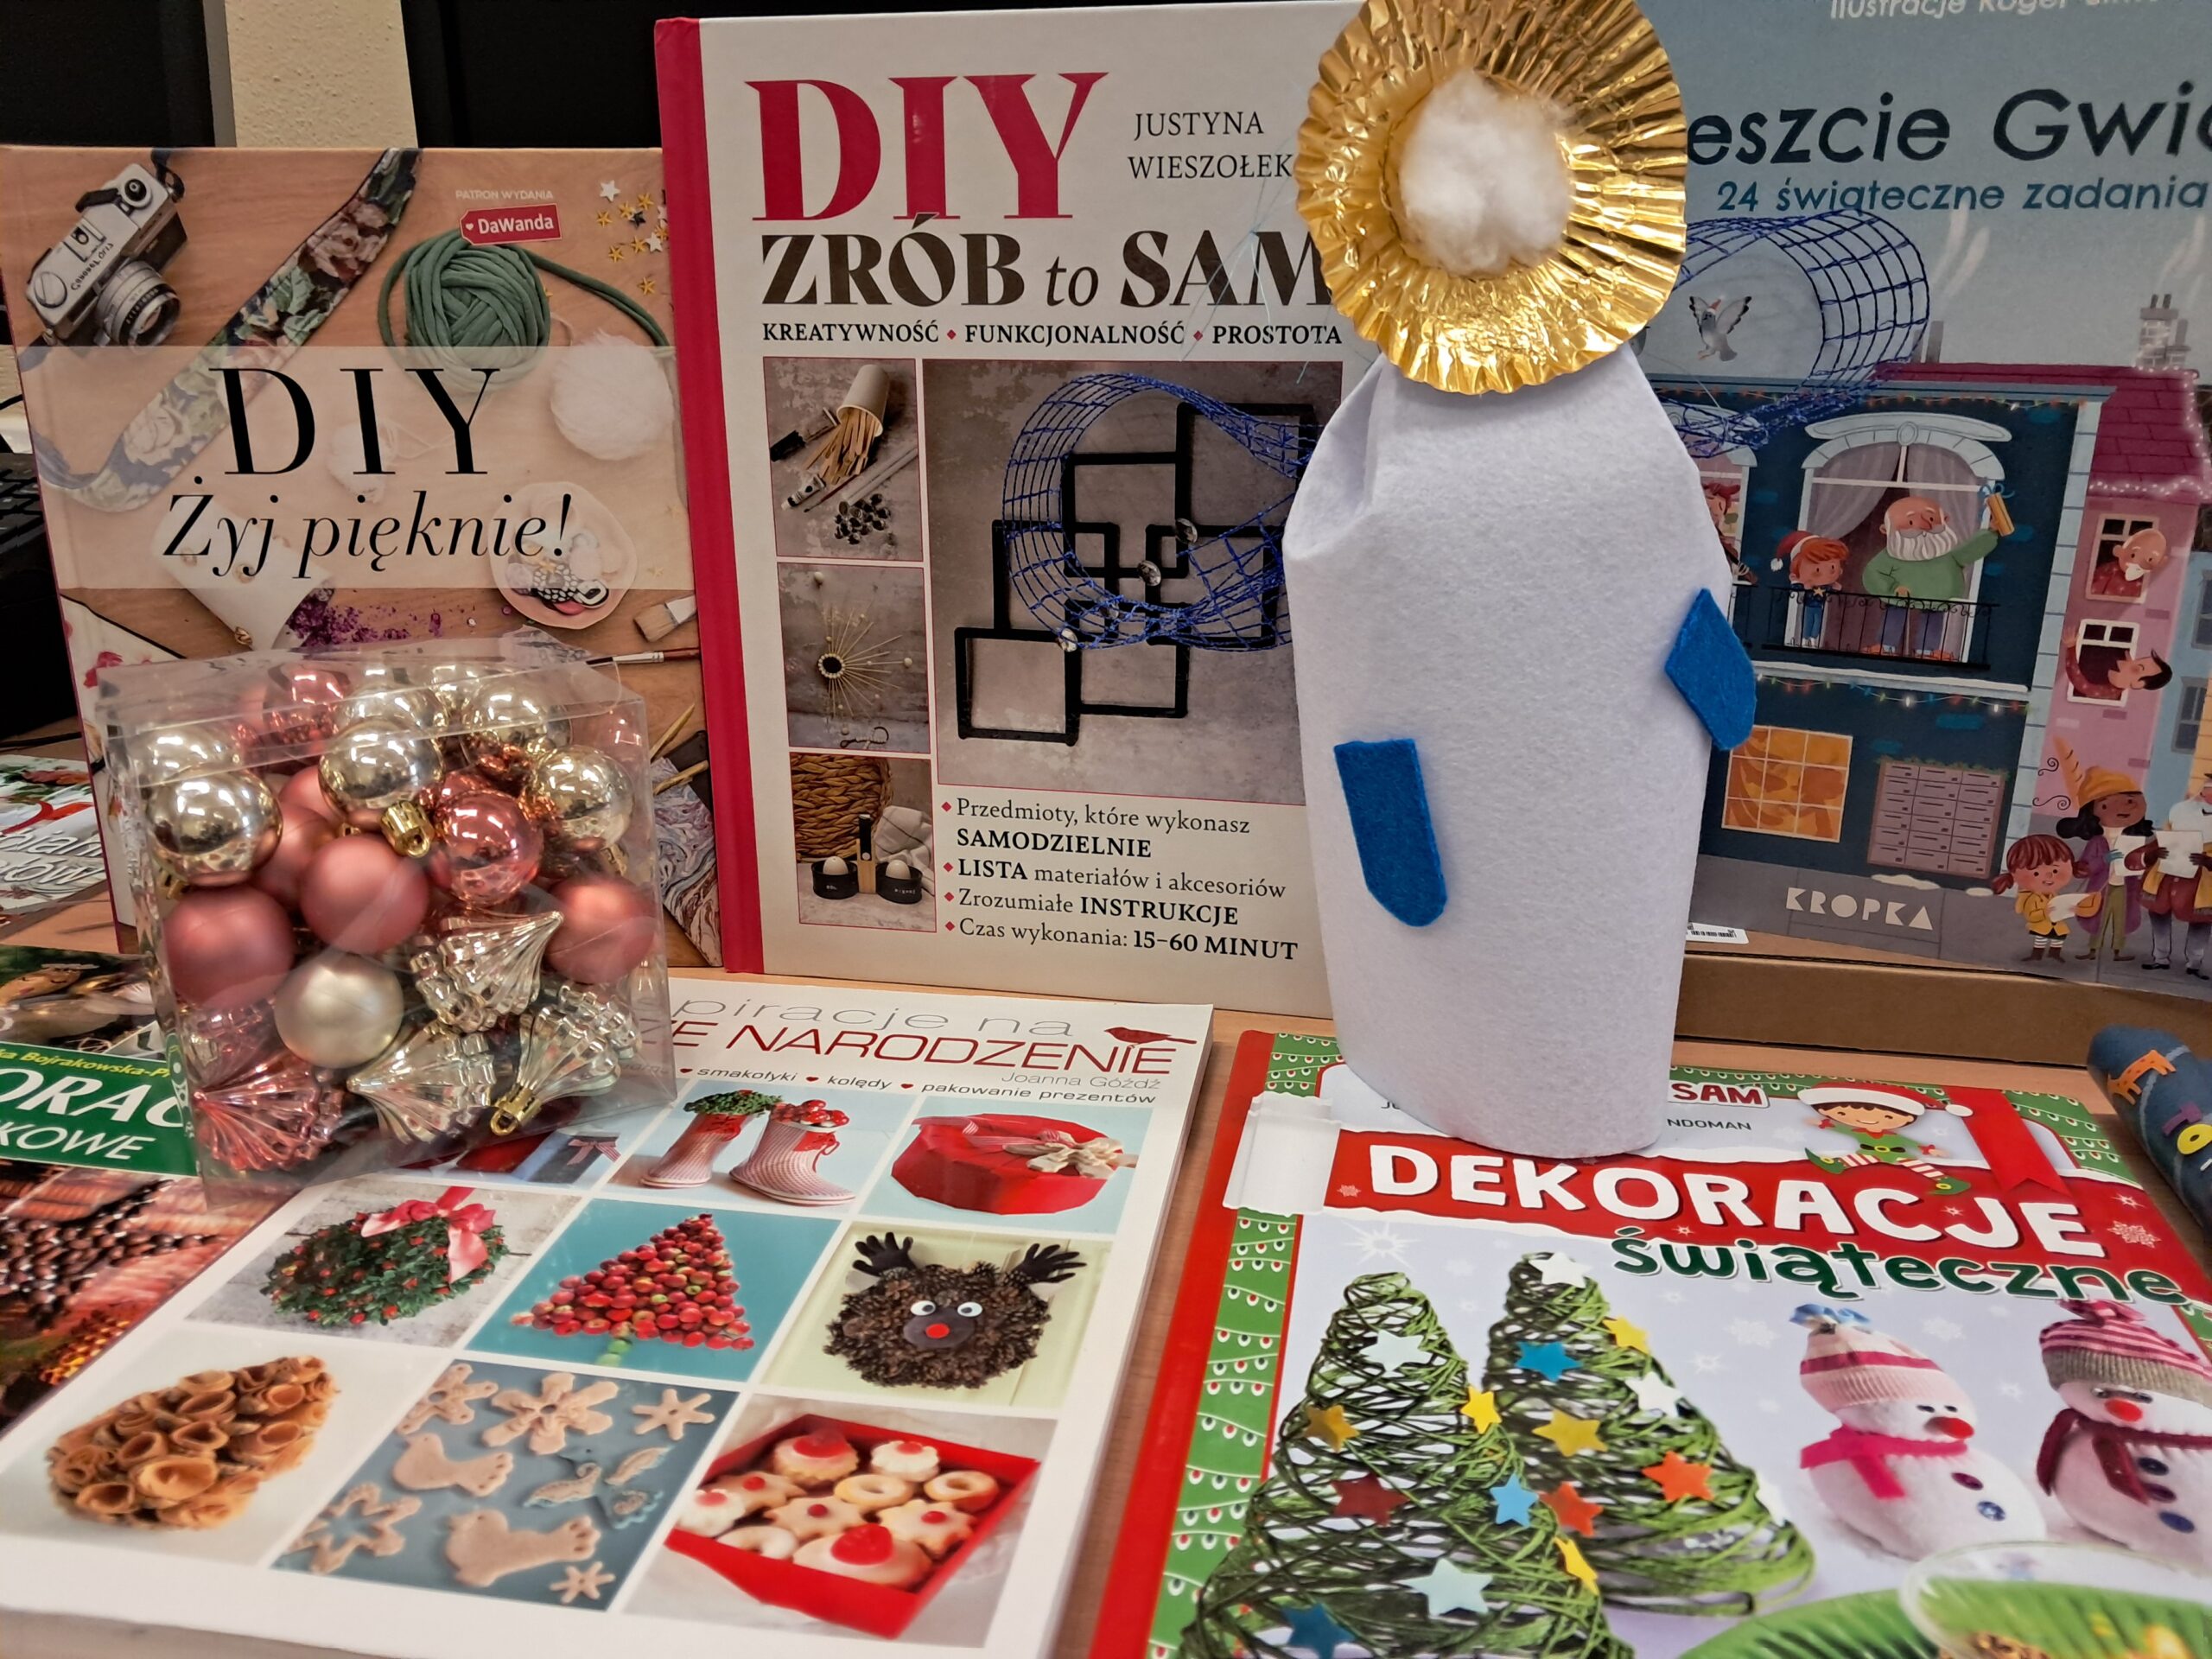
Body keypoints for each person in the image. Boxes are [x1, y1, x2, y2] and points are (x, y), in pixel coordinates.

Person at [1860, 495, 1999, 659]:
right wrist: (1892, 588)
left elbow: (1970, 551)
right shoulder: (1890, 557)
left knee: (1933, 617)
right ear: (1886, 530)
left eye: (1931, 519)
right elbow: (1874, 573)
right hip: (1901, 596)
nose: (1924, 526)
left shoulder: (1946, 556)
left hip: (1936, 597)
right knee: (1895, 612)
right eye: (1910, 522)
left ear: (1945, 520)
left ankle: (1927, 651)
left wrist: (1990, 532)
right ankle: (1886, 646)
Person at [2056, 769, 2157, 962]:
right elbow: (2085, 867)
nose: (2121, 809)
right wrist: (2104, 859)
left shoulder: (2135, 839)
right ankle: (2093, 949)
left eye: (2130, 801)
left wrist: (2144, 863)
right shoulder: (2097, 841)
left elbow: (2144, 864)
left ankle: (2118, 950)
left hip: (2126, 887)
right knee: (2098, 918)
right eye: (2105, 805)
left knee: (2122, 918)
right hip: (2101, 887)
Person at [2140, 774, 2212, 976]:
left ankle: (2195, 962)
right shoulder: (2181, 812)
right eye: (2206, 790)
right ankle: (2160, 957)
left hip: (2201, 883)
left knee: (2200, 921)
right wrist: (2155, 853)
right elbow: (2155, 844)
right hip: (2166, 876)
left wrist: (2208, 862)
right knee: (2158, 914)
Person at [1991, 833, 2082, 964]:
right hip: (2042, 925)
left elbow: (2059, 906)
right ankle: (2037, 955)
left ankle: (2054, 954)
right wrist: (2045, 912)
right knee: (2041, 939)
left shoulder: (2053, 894)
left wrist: (2069, 909)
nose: (2049, 876)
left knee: (2058, 939)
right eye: (2036, 873)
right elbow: (2032, 915)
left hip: (2056, 925)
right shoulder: (2033, 898)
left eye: (2055, 871)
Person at [1774, 531, 1849, 649]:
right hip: (1809, 606)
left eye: (1832, 567)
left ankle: (1814, 640)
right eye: (1817, 570)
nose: (1826, 574)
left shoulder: (1825, 586)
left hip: (1819, 607)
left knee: (1817, 623)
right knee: (1808, 622)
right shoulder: (1808, 584)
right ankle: (1805, 640)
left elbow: (1835, 588)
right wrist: (1800, 583)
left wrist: (1835, 586)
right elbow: (1795, 588)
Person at [2062, 627, 2174, 702]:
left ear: (2137, 684)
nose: (2131, 662)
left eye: (2138, 669)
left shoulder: (2106, 691)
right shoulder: (2121, 654)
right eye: (2139, 661)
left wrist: (2071, 647)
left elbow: (2078, 681)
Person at [2088, 525, 2171, 599]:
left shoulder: (2152, 583)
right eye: (2133, 555)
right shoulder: (2108, 570)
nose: (2137, 562)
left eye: (2150, 559)